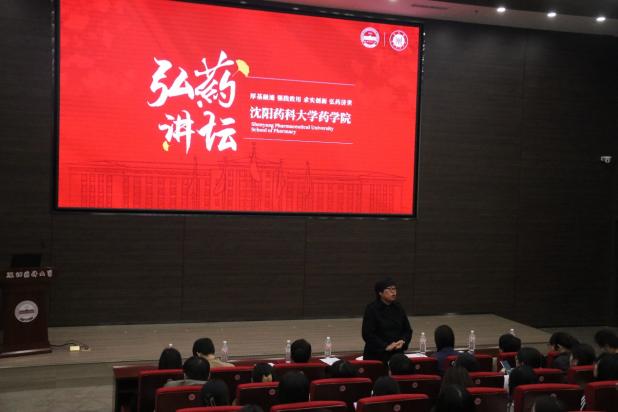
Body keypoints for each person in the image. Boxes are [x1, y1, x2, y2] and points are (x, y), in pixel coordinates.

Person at [362, 278, 412, 364]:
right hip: (377, 354)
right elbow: (367, 334)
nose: (393, 292)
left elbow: (407, 330)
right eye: (389, 289)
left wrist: (403, 341)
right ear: (380, 293)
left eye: (394, 289)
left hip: (397, 353)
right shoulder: (372, 309)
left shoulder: (398, 307)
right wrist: (385, 346)